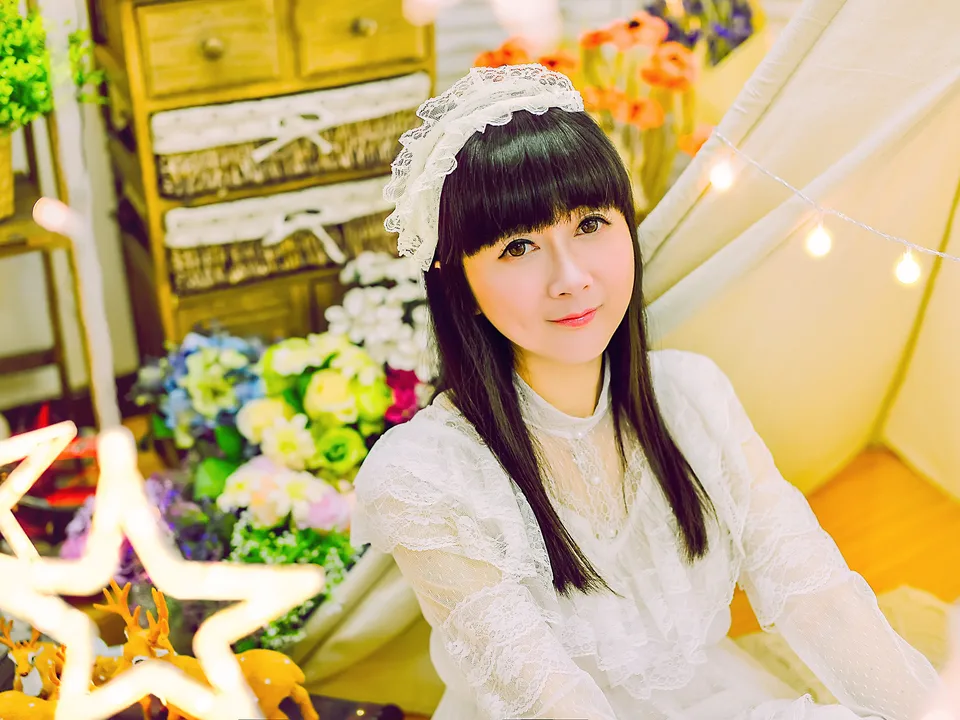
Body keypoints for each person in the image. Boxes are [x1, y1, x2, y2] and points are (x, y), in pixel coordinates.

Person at [350, 64, 940, 720]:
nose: (571, 277)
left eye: (590, 225)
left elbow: (819, 597)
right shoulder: (424, 476)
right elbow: (550, 701)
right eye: (518, 247)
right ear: (457, 280)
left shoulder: (692, 396)